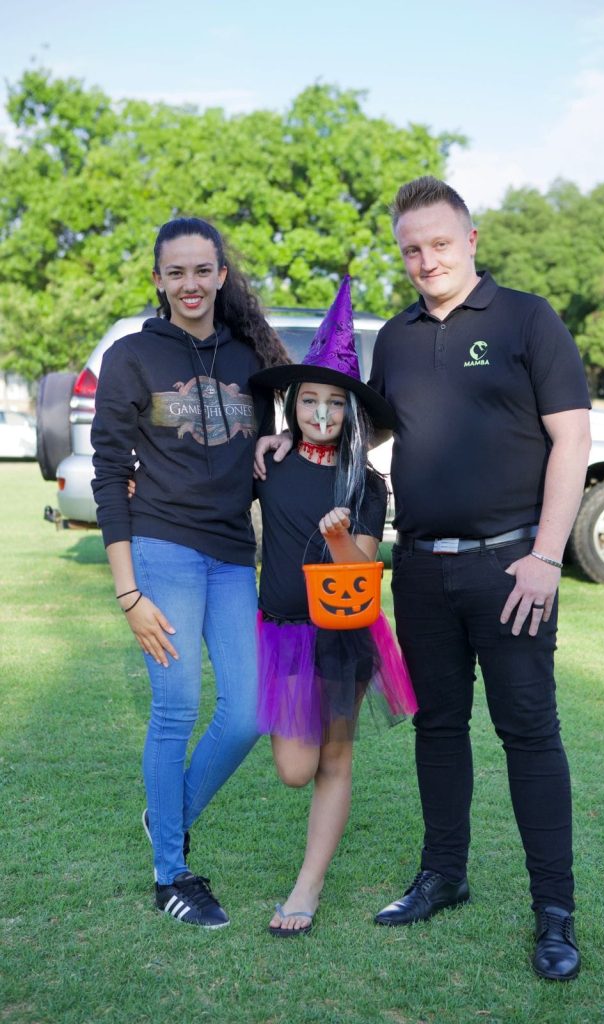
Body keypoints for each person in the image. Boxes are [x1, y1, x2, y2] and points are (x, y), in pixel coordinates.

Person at [255, 178, 591, 979]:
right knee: (439, 728)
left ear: (470, 240)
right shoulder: (398, 339)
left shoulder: (527, 319)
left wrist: (547, 557)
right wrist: (283, 443)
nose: (426, 260)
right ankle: (444, 874)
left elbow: (573, 441)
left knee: (528, 734)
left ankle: (554, 912)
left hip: (511, 567)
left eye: (439, 243)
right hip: (419, 569)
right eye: (411, 249)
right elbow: (354, 430)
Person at [91, 216, 289, 928]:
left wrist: (272, 445)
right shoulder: (132, 356)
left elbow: (265, 443)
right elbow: (108, 475)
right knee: (176, 708)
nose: (191, 284)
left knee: (249, 711)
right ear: (159, 280)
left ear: (221, 274)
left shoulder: (250, 357)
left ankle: (165, 813)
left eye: (202, 270)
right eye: (176, 272)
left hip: (233, 554)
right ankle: (171, 874)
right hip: (162, 550)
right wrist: (129, 593)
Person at [249, 276, 418, 936]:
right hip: (283, 635)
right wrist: (262, 443)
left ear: (352, 413)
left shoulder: (366, 483)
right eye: (310, 400)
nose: (321, 414)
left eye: (335, 403)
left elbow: (360, 576)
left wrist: (341, 537)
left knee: (335, 760)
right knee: (296, 769)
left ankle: (307, 888)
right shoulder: (269, 463)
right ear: (292, 405)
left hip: (345, 638)